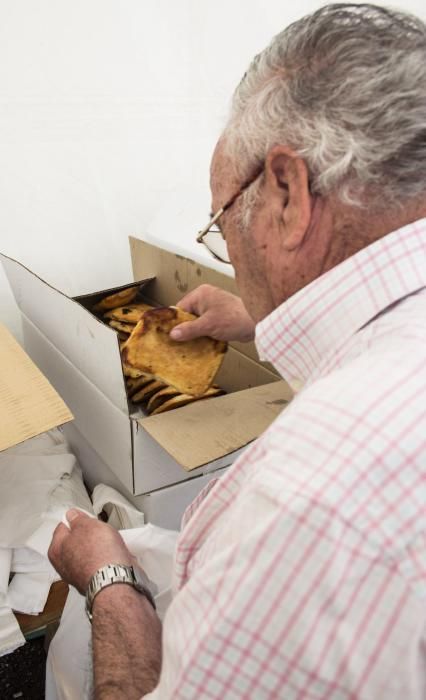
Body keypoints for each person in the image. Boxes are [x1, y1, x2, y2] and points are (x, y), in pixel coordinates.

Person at [48, 3, 426, 698]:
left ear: (286, 191)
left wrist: (110, 584)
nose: (231, 253)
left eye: (224, 224)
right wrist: (260, 318)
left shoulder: (306, 501)